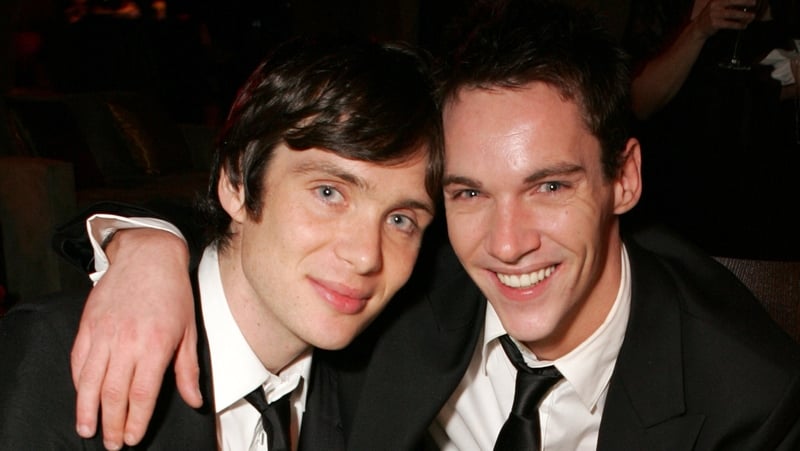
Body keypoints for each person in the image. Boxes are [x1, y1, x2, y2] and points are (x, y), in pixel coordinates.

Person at [51, 0, 800, 449]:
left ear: (623, 178)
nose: (507, 244)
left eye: (547, 185)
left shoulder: (744, 395)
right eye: (469, 194)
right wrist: (141, 241)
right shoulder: (398, 281)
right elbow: (270, 224)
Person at [0, 34, 442, 450]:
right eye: (329, 193)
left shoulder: (383, 386)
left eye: (401, 219)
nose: (366, 255)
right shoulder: (59, 360)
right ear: (236, 182)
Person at [622, 0, 800, 259]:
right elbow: (640, 102)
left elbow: (754, 99)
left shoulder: (785, 10)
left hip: (759, 192)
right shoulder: (664, 9)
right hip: (675, 189)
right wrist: (699, 29)